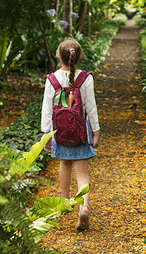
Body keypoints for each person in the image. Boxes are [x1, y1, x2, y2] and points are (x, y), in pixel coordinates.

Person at [41, 37, 100, 230]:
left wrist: (46, 134)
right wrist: (96, 131)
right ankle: (84, 207)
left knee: (64, 163)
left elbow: (47, 110)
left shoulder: (52, 79)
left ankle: (65, 200)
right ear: (79, 56)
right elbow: (91, 107)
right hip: (80, 131)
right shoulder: (86, 78)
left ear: (59, 55)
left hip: (59, 132)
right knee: (82, 172)